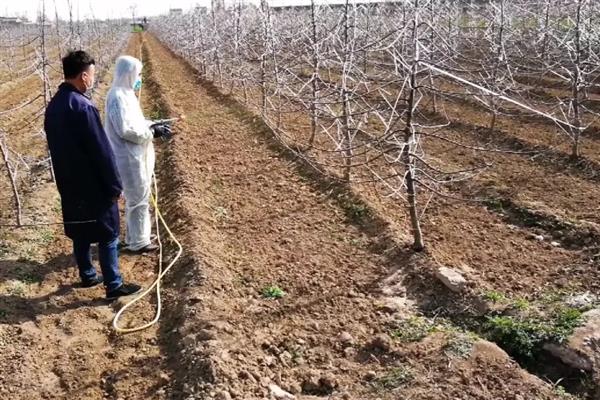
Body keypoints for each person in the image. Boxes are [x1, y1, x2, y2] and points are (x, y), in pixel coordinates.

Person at [44, 50, 141, 300]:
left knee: (80, 230)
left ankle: (87, 275)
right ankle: (113, 284)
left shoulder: (54, 106)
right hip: (92, 184)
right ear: (83, 76)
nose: (92, 80)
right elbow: (101, 150)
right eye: (92, 76)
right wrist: (114, 185)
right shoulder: (83, 106)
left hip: (68, 182)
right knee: (108, 235)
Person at [104, 55, 171, 253]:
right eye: (138, 74)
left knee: (140, 196)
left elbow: (135, 121)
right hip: (129, 157)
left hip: (135, 155)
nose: (139, 78)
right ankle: (138, 243)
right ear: (128, 74)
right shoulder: (117, 96)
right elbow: (126, 130)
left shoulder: (126, 94)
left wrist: (152, 124)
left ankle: (137, 235)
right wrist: (151, 132)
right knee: (137, 198)